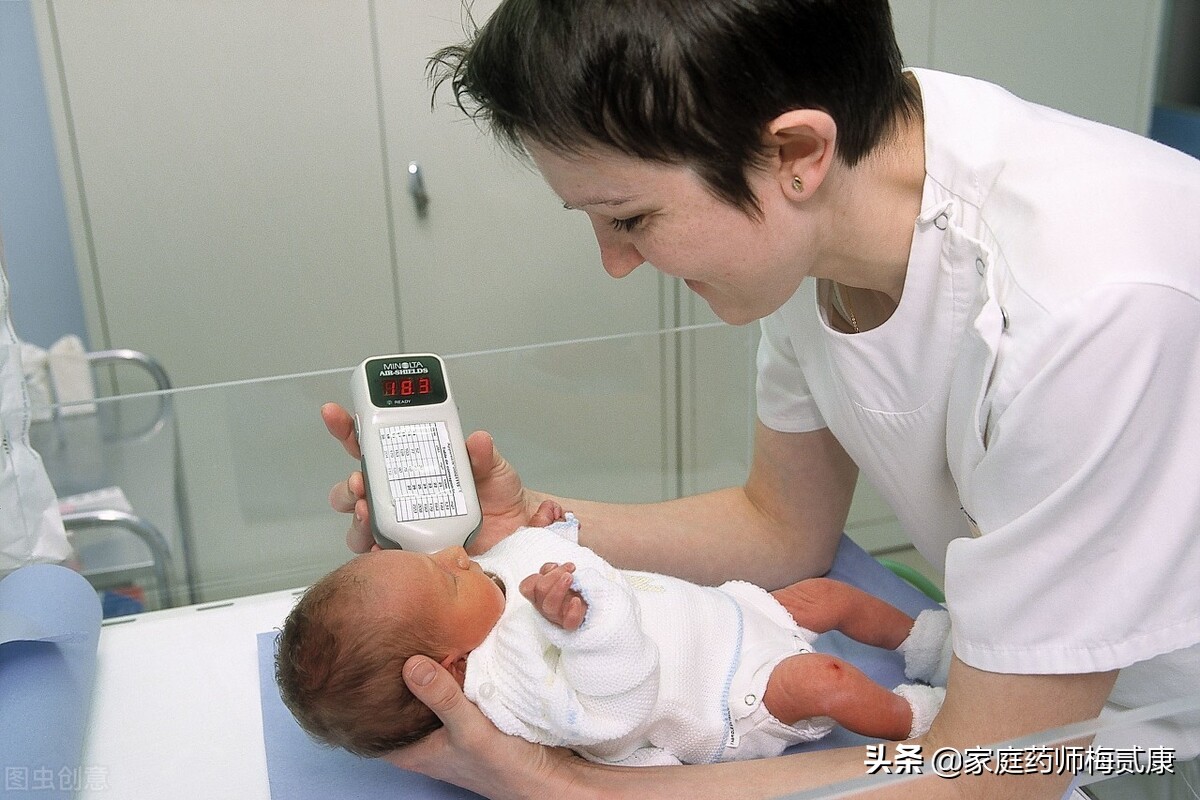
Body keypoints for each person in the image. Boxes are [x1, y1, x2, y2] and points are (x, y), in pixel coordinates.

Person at [321, 0, 1200, 797]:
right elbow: (782, 527)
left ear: (795, 156)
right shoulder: (834, 210)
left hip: (1157, 740)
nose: (615, 262)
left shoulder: (1090, 310)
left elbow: (1001, 769)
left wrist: (584, 790)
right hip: (1025, 696)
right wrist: (508, 530)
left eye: (629, 217)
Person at [276, 503, 949, 764]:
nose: (456, 558)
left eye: (435, 558)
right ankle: (919, 718)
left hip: (733, 616)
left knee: (826, 598)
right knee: (822, 680)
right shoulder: (512, 687)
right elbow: (615, 707)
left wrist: (548, 530)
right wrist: (582, 629)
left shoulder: (486, 590)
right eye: (447, 581)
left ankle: (928, 645)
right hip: (730, 695)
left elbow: (530, 560)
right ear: (452, 670)